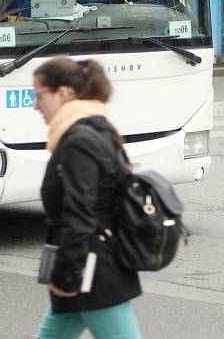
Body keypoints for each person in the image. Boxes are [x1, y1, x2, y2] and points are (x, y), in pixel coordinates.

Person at [33, 57, 142, 339]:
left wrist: (68, 276)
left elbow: (80, 214)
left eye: (39, 95)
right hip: (86, 263)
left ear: (64, 93)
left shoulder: (79, 140)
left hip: (91, 269)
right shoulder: (94, 130)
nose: (35, 105)